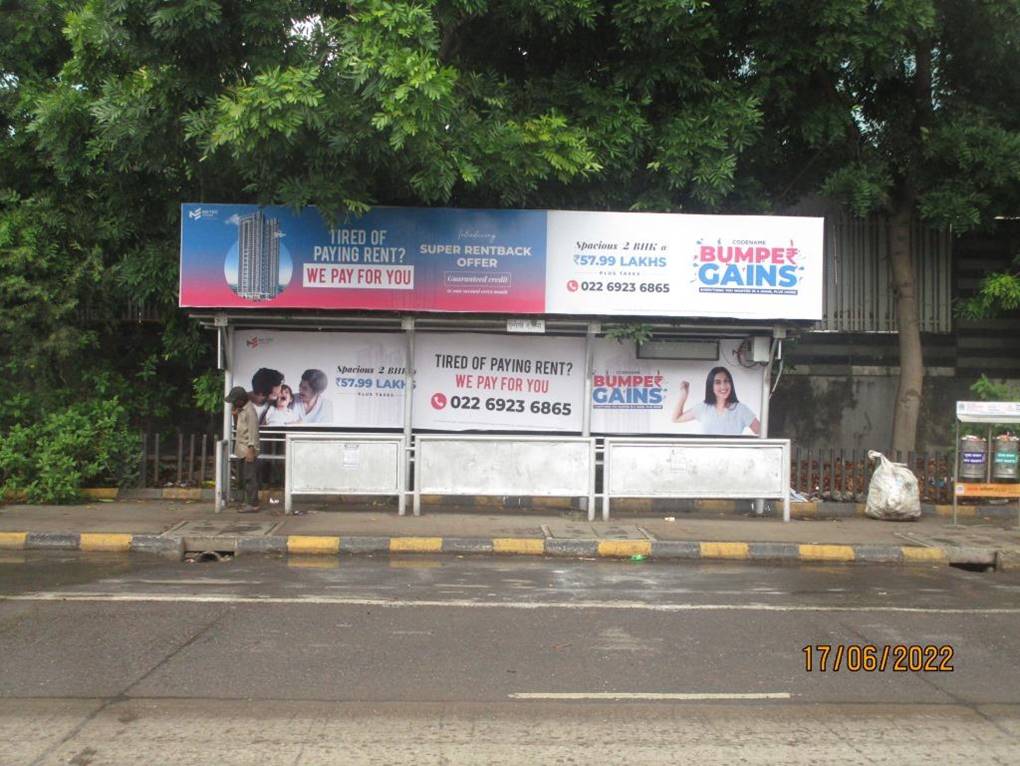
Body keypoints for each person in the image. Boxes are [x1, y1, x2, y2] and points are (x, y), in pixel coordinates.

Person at [672, 366, 761, 436]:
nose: (723, 386)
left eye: (726, 381)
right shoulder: (703, 408)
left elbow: (762, 431)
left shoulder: (741, 409)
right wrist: (683, 395)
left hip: (733, 458)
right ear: (711, 386)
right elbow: (676, 418)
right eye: (718, 382)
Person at [226, 386, 261, 512]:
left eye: (234, 401)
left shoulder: (250, 411)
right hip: (241, 449)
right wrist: (235, 415)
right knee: (244, 477)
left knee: (250, 478)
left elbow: (253, 432)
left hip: (248, 450)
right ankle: (248, 502)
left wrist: (251, 450)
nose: (233, 403)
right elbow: (239, 427)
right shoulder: (241, 410)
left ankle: (253, 504)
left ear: (240, 400)